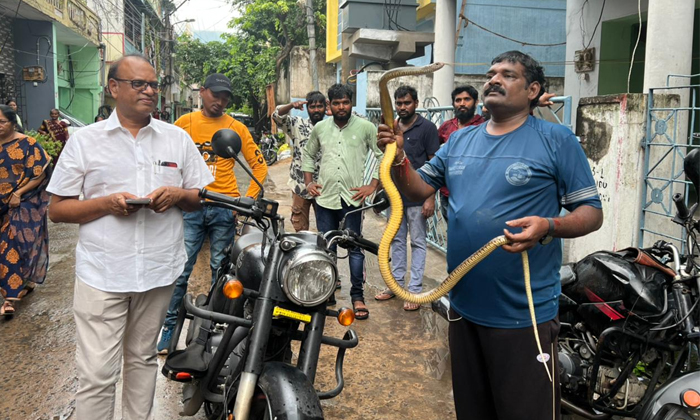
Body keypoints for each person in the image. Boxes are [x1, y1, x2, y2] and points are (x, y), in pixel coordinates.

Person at [377, 51, 603, 420]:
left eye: (507, 75)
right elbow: (418, 191)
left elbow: (591, 213)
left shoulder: (556, 139)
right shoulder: (461, 140)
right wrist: (399, 156)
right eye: (491, 72)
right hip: (464, 310)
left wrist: (548, 226)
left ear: (532, 90)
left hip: (522, 316)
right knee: (473, 410)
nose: (493, 79)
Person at [46, 54, 214, 420]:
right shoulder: (85, 142)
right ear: (114, 87)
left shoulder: (176, 139)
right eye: (139, 84)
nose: (150, 91)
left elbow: (199, 197)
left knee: (142, 359)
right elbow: (57, 209)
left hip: (157, 270)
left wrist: (177, 196)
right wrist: (106, 204)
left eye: (153, 84)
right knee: (97, 374)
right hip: (102, 272)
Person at [156, 73, 268, 354]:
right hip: (191, 206)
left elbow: (260, 167)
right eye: (215, 95)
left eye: (225, 97)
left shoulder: (236, 128)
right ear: (202, 92)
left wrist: (246, 201)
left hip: (224, 207)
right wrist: (173, 194)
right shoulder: (184, 125)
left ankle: (217, 327)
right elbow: (165, 163)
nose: (220, 101)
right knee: (181, 269)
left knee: (222, 270)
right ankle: (170, 328)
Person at [302, 84, 383, 320]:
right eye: (336, 103)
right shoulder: (320, 128)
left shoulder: (366, 127)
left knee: (355, 248)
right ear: (330, 105)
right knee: (327, 247)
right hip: (325, 198)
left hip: (352, 198)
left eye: (345, 102)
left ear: (352, 103)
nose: (341, 107)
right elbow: (308, 154)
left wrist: (373, 185)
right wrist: (309, 183)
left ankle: (357, 296)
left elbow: (381, 155)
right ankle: (326, 294)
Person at [374, 85, 439, 311]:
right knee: (397, 241)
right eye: (399, 104)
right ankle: (396, 286)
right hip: (396, 197)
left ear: (416, 103)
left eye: (407, 103)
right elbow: (387, 159)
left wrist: (430, 198)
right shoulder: (392, 129)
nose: (402, 107)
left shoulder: (428, 128)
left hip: (418, 198)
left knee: (418, 243)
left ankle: (414, 291)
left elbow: (434, 165)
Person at [0, 104, 51, 317]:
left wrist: (18, 193)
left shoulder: (27, 144)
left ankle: (9, 299)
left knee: (10, 246)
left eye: (2, 122)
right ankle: (26, 281)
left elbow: (39, 173)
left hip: (18, 205)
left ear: (13, 123)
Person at [272, 91, 326, 232]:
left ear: (325, 107)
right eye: (312, 107)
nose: (316, 110)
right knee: (300, 228)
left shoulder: (331, 126)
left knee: (326, 228)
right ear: (307, 108)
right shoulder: (297, 124)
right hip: (300, 185)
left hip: (324, 186)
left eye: (320, 106)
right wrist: (291, 105)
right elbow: (276, 116)